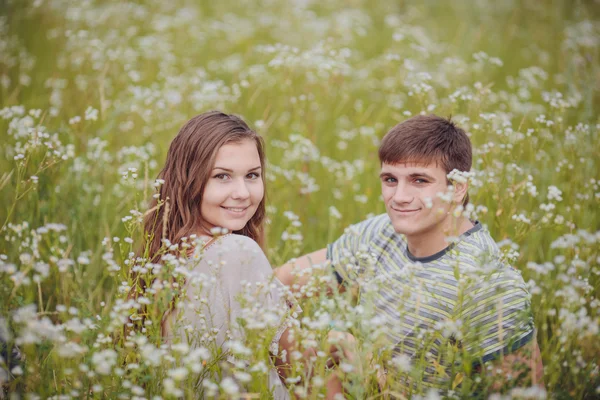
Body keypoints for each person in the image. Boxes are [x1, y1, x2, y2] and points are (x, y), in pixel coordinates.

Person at [275, 114, 544, 394]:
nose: (399, 197)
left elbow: (525, 392)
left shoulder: (488, 282)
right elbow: (279, 283)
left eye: (419, 180)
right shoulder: (379, 232)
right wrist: (325, 340)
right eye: (390, 179)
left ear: (458, 188)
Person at [132, 111, 295, 399]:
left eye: (252, 175)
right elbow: (299, 369)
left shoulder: (164, 258)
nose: (242, 192)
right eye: (222, 176)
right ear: (188, 180)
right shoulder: (237, 251)